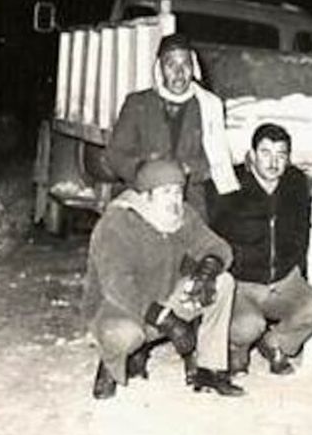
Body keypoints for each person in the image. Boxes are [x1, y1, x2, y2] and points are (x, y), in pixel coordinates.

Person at [82, 159, 245, 398]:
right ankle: (110, 365)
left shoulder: (182, 216)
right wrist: (165, 320)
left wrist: (208, 269)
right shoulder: (118, 222)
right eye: (166, 192)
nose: (174, 199)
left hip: (167, 299)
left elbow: (217, 246)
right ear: (146, 195)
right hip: (120, 307)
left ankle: (210, 370)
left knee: (223, 282)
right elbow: (117, 285)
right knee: (125, 335)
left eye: (178, 191)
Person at [207, 123, 312, 375]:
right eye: (265, 153)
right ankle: (236, 349)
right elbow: (208, 234)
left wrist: (297, 269)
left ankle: (275, 344)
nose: (273, 163)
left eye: (281, 155)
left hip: (283, 280)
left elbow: (302, 231)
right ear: (251, 155)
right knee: (248, 325)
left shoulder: (295, 183)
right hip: (242, 284)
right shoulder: (228, 183)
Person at [106, 33, 239, 218]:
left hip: (190, 202)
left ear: (194, 68)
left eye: (185, 64)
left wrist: (187, 169)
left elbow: (217, 160)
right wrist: (146, 172)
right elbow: (116, 154)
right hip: (144, 197)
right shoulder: (138, 103)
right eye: (171, 65)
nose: (179, 73)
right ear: (160, 69)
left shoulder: (208, 106)